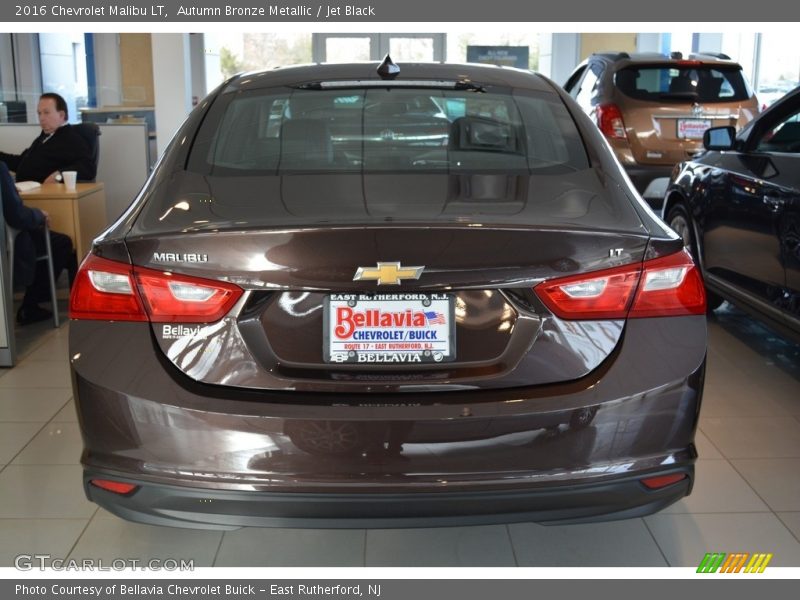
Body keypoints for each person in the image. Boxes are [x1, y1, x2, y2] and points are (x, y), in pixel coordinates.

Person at [0, 161, 77, 325]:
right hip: (10, 242)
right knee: (62, 243)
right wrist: (39, 215)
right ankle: (31, 305)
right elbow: (17, 216)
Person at [0, 92, 95, 183]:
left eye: (46, 113)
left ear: (61, 115)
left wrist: (59, 175)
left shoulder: (71, 138)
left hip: (45, 194)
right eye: (39, 113)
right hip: (25, 190)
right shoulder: (44, 137)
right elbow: (21, 162)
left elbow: (88, 168)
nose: (41, 118)